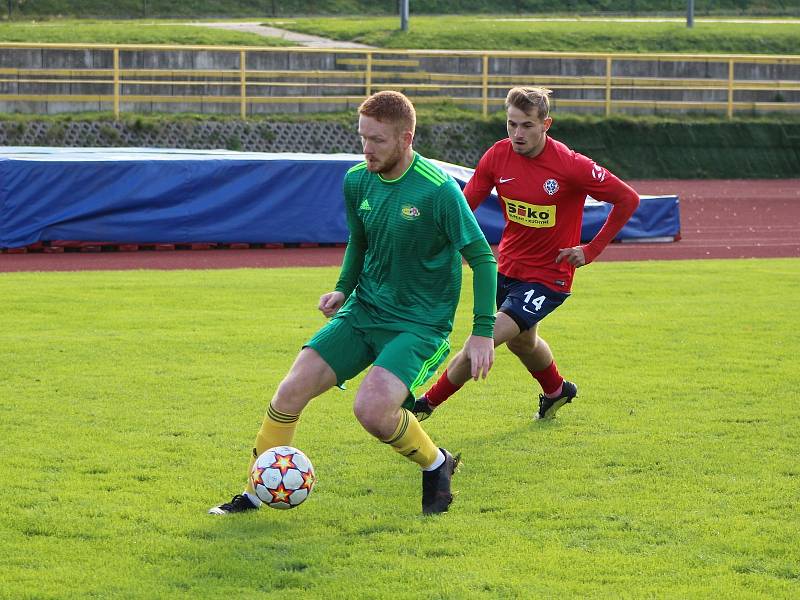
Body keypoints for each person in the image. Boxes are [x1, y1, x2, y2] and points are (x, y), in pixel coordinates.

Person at [209, 90, 497, 516]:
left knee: (373, 410)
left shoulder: (438, 191)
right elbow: (359, 241)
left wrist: (482, 333)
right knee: (290, 390)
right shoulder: (357, 180)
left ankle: (436, 464)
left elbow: (482, 259)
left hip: (418, 325)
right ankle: (256, 492)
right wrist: (343, 288)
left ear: (406, 139)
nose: (366, 149)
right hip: (364, 309)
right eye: (362, 137)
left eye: (377, 140)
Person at [413, 86, 640, 422]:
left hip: (550, 276)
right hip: (508, 268)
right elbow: (466, 206)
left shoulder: (570, 165)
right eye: (511, 124)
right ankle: (557, 391)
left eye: (527, 126)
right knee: (524, 343)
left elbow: (628, 199)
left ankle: (424, 406)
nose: (517, 134)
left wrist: (590, 250)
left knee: (482, 340)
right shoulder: (497, 156)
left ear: (546, 124)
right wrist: (435, 241)